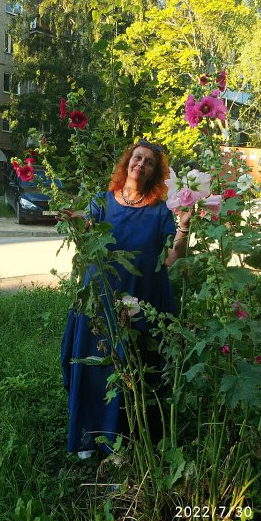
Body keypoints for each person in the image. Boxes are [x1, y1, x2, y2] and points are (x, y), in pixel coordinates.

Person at [60, 140, 191, 457]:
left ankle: (128, 437)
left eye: (148, 162)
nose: (141, 164)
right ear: (127, 163)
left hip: (141, 301)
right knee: (95, 365)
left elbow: (172, 258)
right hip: (101, 298)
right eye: (137, 158)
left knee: (135, 367)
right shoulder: (101, 202)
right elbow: (87, 244)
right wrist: (77, 225)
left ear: (154, 172)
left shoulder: (160, 211)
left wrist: (184, 228)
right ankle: (90, 435)